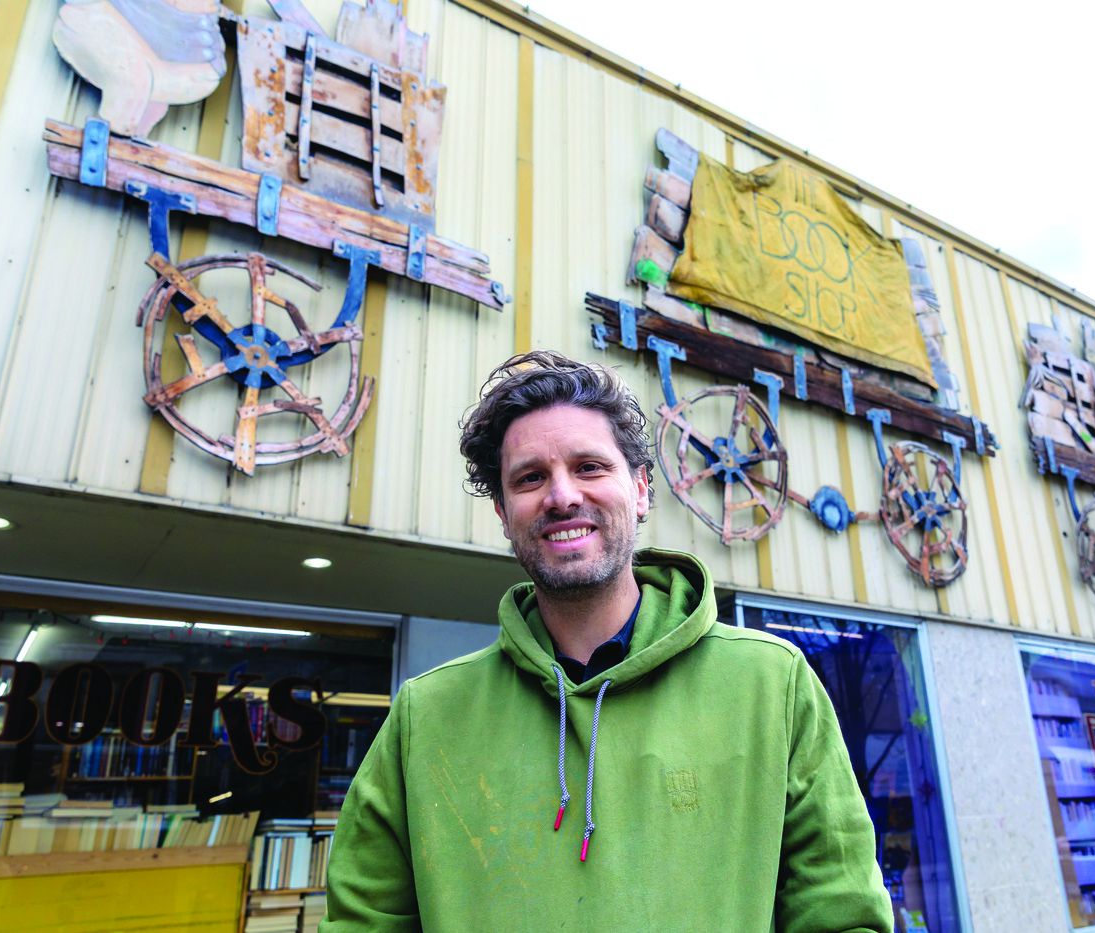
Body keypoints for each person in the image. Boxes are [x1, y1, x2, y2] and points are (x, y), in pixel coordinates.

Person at [322, 351, 893, 932]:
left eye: (590, 466)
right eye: (529, 477)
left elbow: (842, 916)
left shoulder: (773, 685)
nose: (562, 496)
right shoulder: (427, 717)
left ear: (642, 489)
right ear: (501, 510)